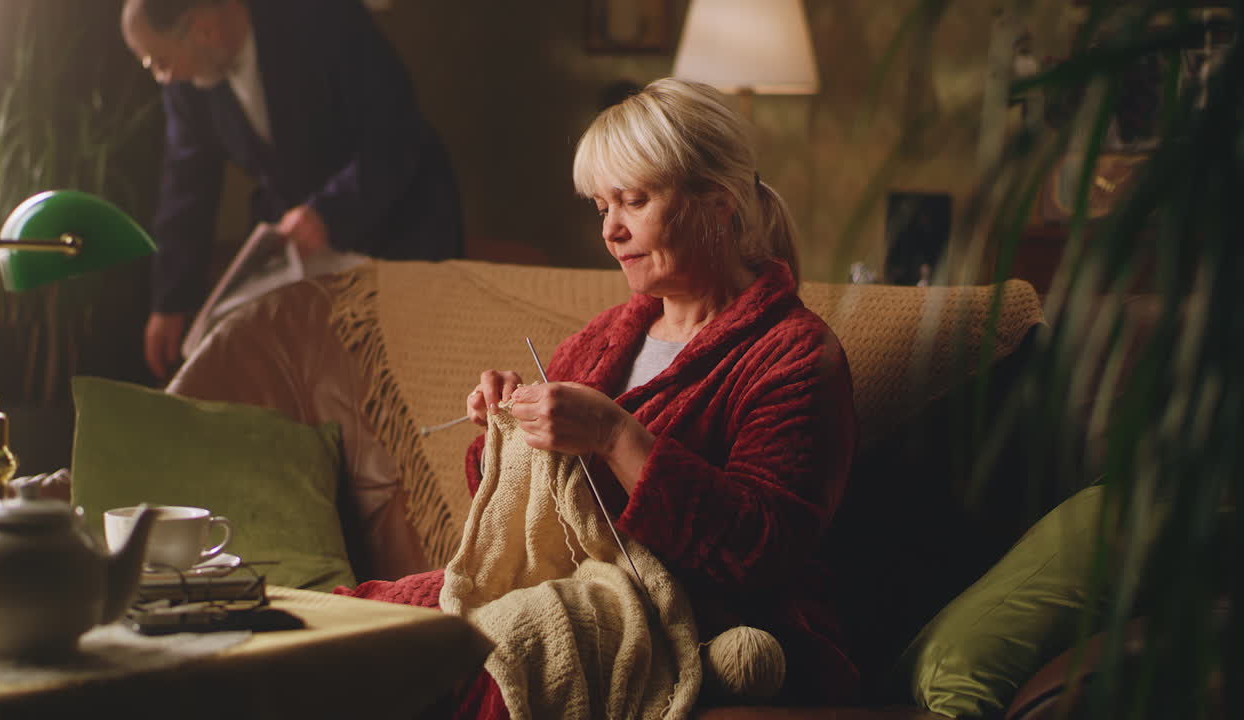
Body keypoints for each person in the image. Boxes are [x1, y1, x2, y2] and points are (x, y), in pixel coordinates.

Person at [345, 77, 859, 711]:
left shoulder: (795, 354)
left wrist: (618, 437)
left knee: (499, 645)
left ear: (719, 204)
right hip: (561, 583)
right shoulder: (603, 340)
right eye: (600, 207)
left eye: (634, 201)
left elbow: (760, 549)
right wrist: (506, 431)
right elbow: (532, 521)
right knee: (352, 623)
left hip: (697, 611)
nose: (612, 230)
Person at [121, 0, 464, 380]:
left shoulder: (322, 17)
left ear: (204, 28)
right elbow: (186, 186)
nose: (162, 78)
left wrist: (329, 213)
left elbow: (395, 134)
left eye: (158, 62)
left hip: (402, 219)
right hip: (304, 242)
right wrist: (171, 301)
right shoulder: (187, 85)